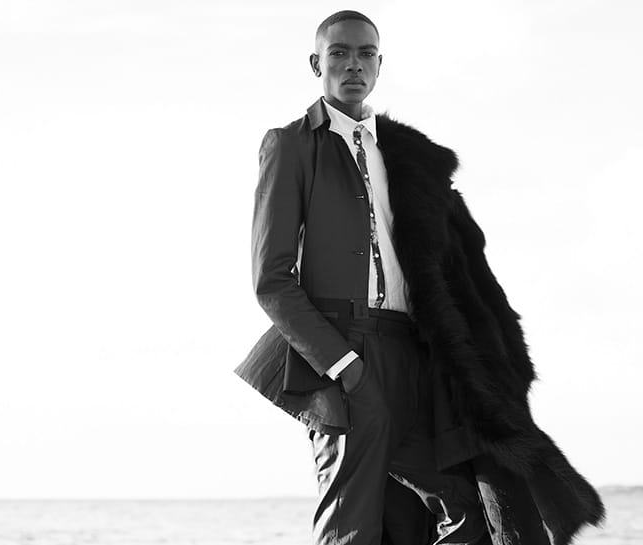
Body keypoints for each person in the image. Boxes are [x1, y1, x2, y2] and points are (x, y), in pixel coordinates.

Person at [235, 9, 605, 545]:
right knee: (352, 521)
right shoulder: (291, 145)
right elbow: (271, 279)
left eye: (365, 54)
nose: (353, 64)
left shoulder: (406, 155)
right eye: (339, 53)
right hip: (345, 351)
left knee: (468, 510)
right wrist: (344, 366)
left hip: (415, 352)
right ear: (316, 64)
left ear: (379, 65)